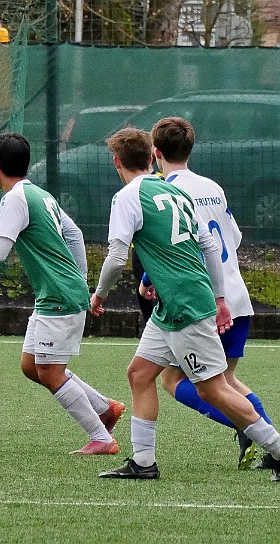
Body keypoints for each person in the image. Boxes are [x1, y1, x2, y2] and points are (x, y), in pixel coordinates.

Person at [91, 127, 280, 481]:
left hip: (183, 304)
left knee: (214, 388)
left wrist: (99, 294)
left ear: (117, 162)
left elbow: (117, 256)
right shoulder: (172, 190)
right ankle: (143, 462)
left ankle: (278, 449)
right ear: (151, 158)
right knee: (140, 373)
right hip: (176, 305)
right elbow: (209, 246)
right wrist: (220, 297)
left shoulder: (127, 197)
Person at [0, 132, 125, 455]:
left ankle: (101, 438)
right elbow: (74, 233)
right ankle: (106, 409)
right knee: (31, 365)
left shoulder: (15, 199)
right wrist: (80, 278)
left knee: (49, 372)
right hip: (57, 293)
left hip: (59, 296)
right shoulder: (38, 194)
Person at [147, 116, 274, 470]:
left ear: (155, 153)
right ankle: (270, 444)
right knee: (226, 380)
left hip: (201, 302)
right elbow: (232, 238)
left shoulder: (165, 193)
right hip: (236, 295)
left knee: (174, 380)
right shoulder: (212, 186)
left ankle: (247, 427)